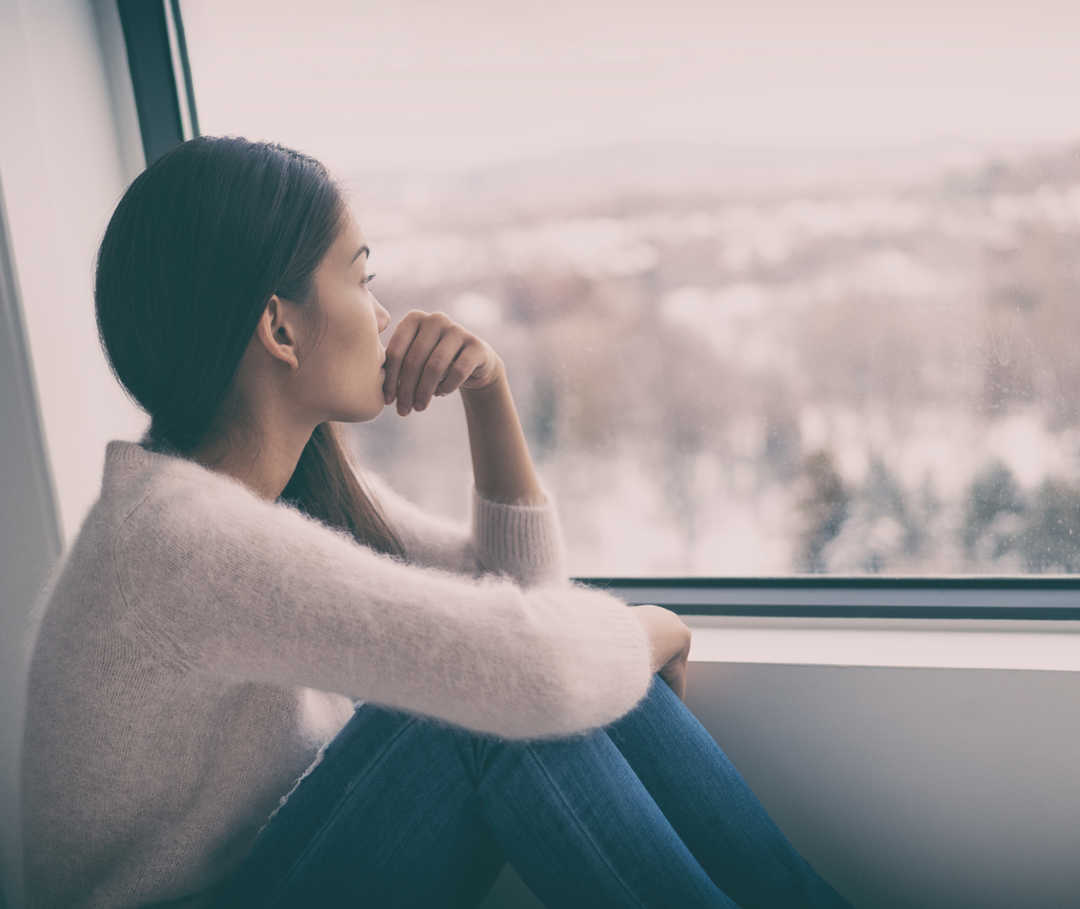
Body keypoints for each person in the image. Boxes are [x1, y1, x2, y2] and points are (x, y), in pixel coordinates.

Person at [19, 135, 852, 908]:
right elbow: (531, 668)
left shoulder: (270, 491)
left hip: (280, 868)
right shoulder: (180, 539)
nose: (382, 315)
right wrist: (650, 632)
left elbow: (522, 602)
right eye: (361, 278)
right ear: (279, 326)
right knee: (492, 700)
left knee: (530, 677)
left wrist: (489, 397)